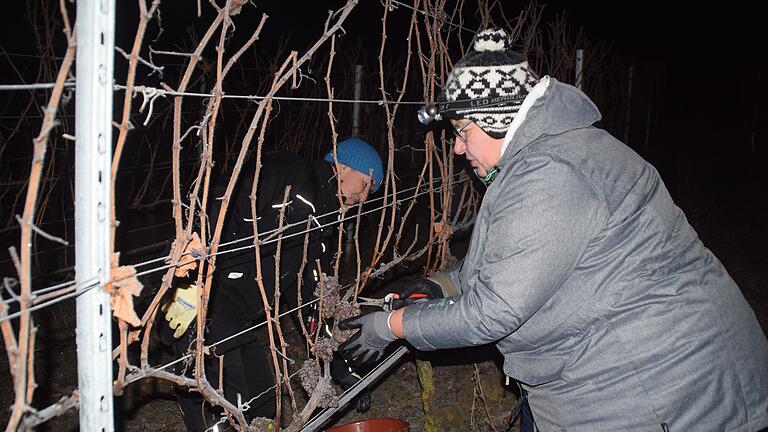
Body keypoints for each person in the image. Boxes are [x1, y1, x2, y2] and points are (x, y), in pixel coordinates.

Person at [340, 28, 768, 431]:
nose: (456, 147)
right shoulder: (542, 157)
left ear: (498, 118)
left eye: (462, 131)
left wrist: (392, 326)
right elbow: (509, 262)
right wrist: (437, 287)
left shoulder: (551, 172)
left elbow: (494, 311)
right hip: (630, 376)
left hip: (662, 390)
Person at [162, 137, 383, 431]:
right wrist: (192, 279)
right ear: (345, 167)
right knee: (225, 408)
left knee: (263, 406)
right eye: (367, 184)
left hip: (240, 318)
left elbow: (309, 302)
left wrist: (342, 368)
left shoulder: (321, 230)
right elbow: (220, 202)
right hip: (208, 302)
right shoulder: (291, 173)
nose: (365, 197)